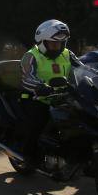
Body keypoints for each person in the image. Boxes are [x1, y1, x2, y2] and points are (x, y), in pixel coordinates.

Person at [18, 20, 83, 166]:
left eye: (60, 43)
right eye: (53, 44)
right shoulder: (31, 56)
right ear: (42, 42)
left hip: (62, 97)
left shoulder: (67, 54)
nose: (57, 47)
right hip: (36, 97)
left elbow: (83, 69)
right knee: (38, 122)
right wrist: (40, 87)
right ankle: (27, 155)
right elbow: (26, 78)